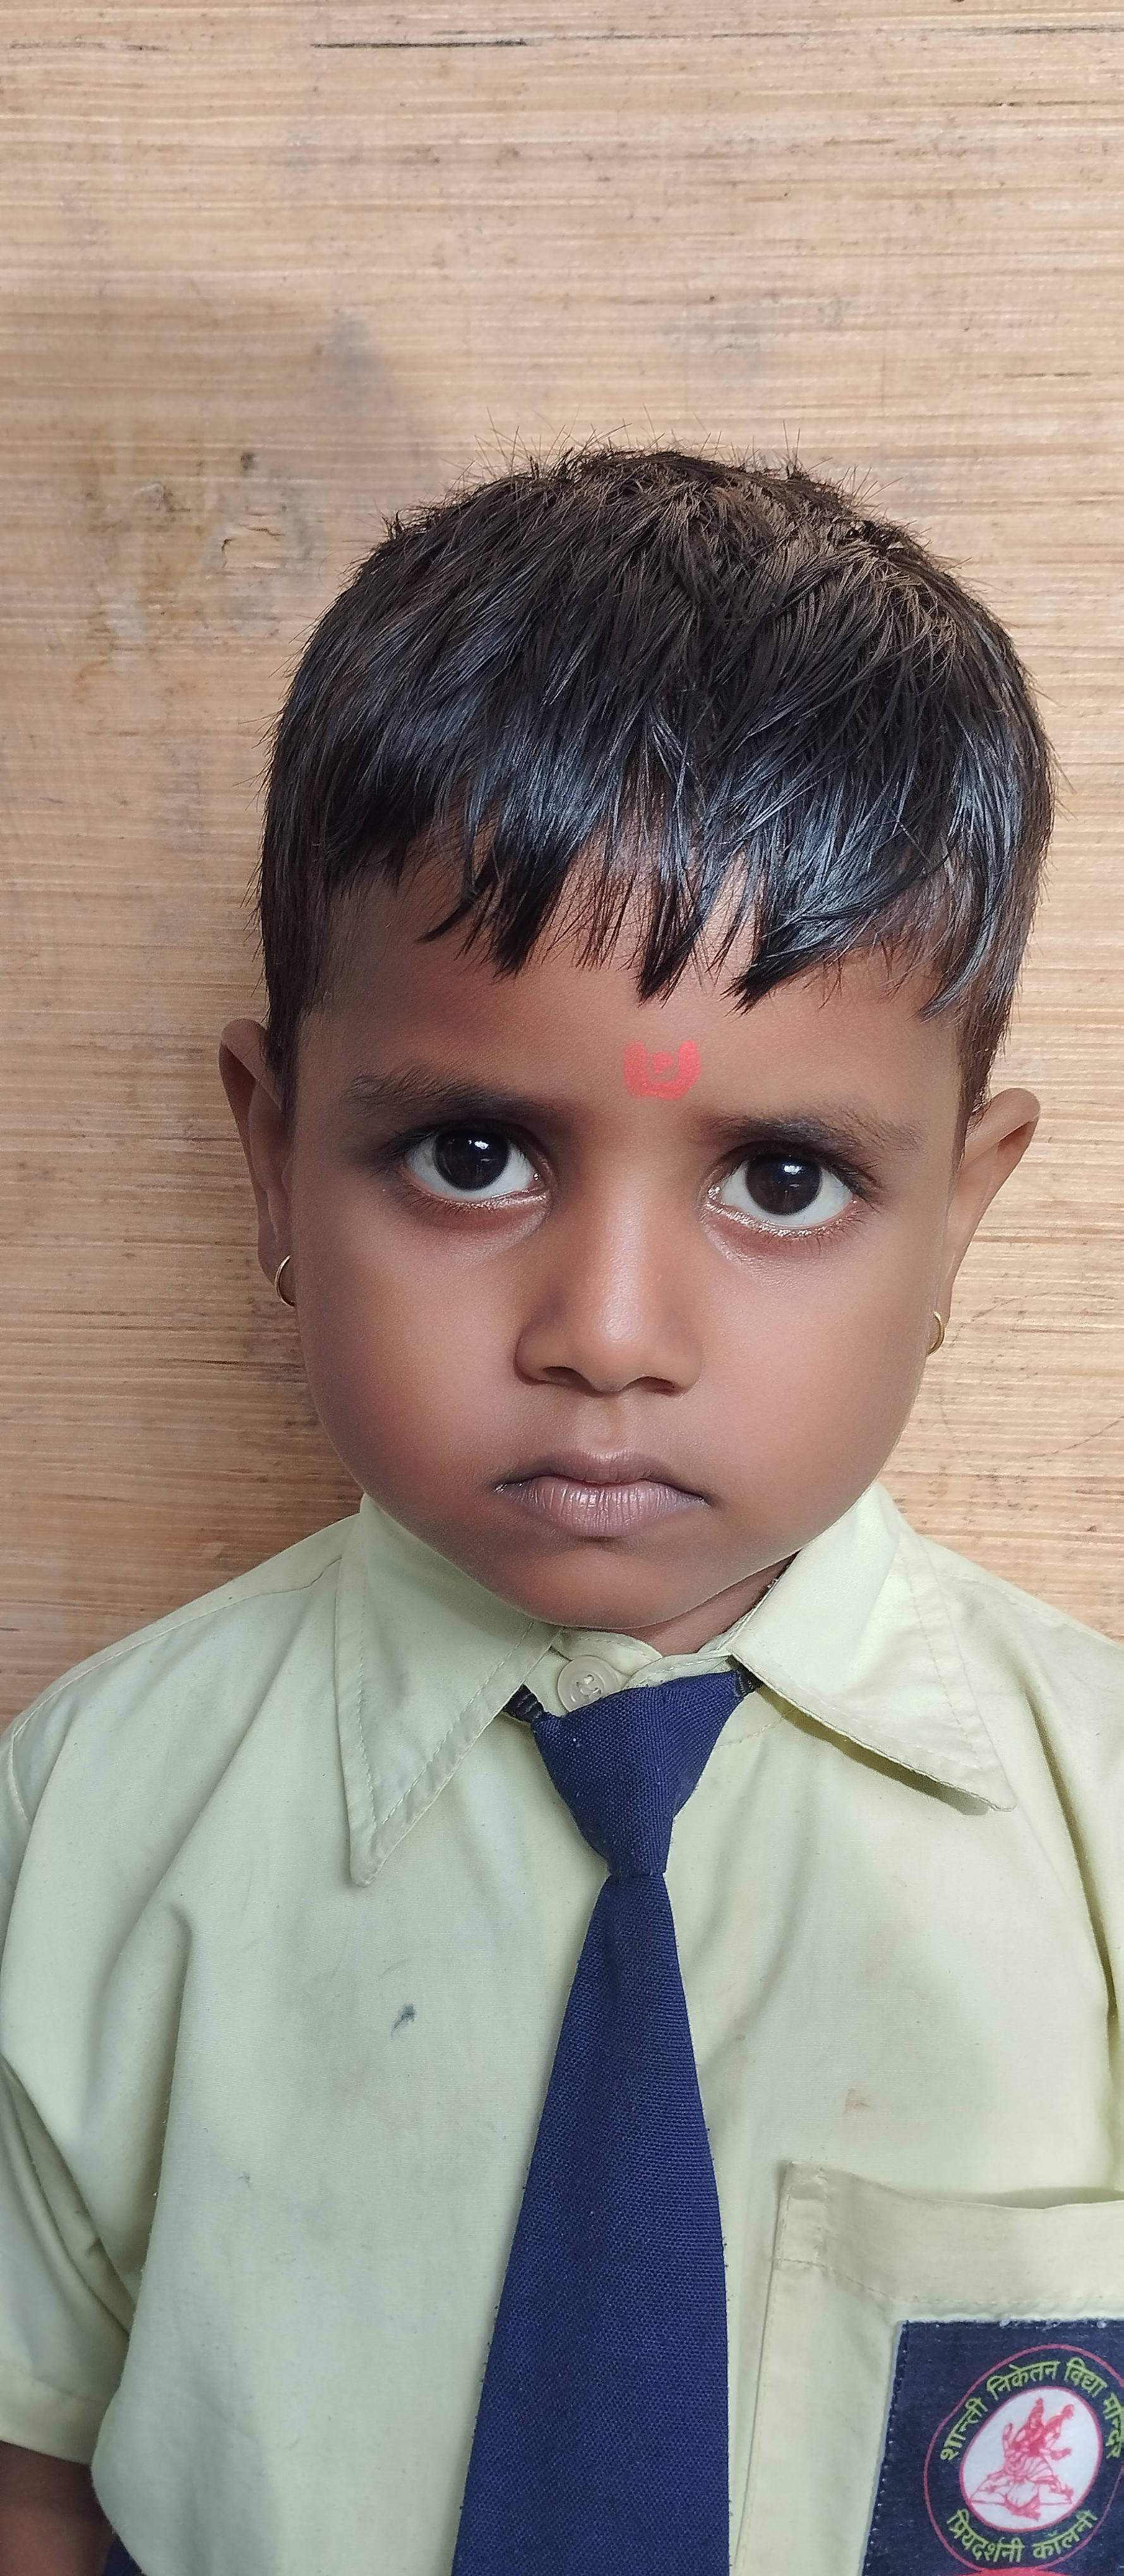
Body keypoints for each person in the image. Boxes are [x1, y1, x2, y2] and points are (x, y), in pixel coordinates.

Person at [1, 447, 1121, 2576]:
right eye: (471, 1155)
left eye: (778, 1177)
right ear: (272, 1157)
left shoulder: (1099, 1840)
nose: (606, 1332)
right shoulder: (91, 1828)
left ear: (959, 1214)